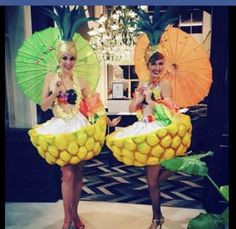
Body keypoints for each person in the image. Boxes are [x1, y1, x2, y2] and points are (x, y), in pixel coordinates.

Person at [38, 41, 121, 229]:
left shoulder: (81, 81)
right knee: (67, 174)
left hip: (79, 128)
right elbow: (44, 105)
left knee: (78, 174)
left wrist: (109, 122)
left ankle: (75, 214)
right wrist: (56, 92)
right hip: (61, 128)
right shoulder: (51, 77)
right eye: (65, 58)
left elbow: (94, 105)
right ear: (59, 59)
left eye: (72, 58)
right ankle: (67, 218)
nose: (68, 62)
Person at [129, 51, 175, 229]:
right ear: (147, 66)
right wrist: (140, 98)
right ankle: (158, 216)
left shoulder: (165, 84)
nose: (157, 68)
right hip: (143, 129)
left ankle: (157, 218)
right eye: (153, 64)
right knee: (152, 178)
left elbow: (170, 110)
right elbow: (132, 107)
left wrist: (150, 100)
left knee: (152, 180)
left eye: (160, 64)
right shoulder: (142, 83)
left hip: (158, 132)